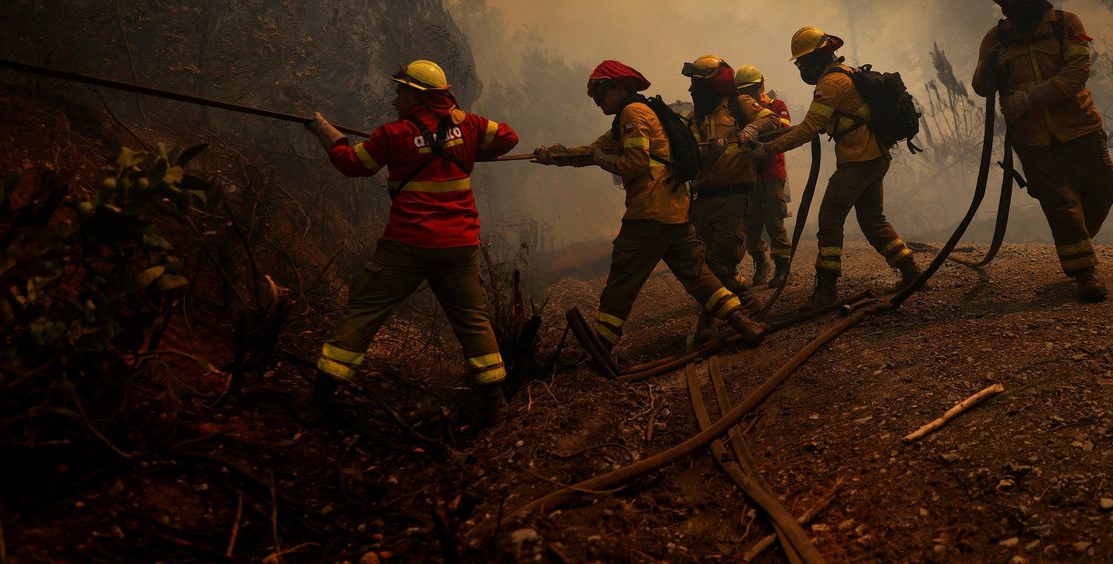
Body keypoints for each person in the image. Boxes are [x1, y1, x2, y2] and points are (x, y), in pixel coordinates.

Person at [300, 60, 519, 424]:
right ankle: (495, 402)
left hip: (407, 245)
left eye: (401, 90)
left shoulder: (393, 135)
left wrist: (327, 134)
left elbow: (354, 164)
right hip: (459, 247)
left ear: (418, 96)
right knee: (471, 320)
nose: (395, 98)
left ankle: (321, 398)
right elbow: (509, 137)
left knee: (364, 309)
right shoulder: (470, 125)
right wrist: (464, 149)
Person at [533, 60, 766, 356]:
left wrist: (600, 160)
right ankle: (743, 322)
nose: (597, 102)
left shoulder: (632, 114)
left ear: (618, 88)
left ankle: (601, 346)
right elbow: (592, 150)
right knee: (699, 276)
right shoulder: (640, 113)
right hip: (674, 212)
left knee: (621, 281)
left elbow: (634, 164)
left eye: (600, 94)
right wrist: (556, 155)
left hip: (648, 213)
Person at [971, 0, 1113, 302]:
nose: (1023, 1)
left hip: (1080, 127)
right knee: (1061, 203)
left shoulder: (1066, 25)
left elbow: (1076, 73)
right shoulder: (995, 39)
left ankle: (1078, 239)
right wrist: (993, 65)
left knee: (1106, 186)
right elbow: (981, 86)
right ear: (1003, 0)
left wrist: (1030, 100)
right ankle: (1085, 274)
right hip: (1032, 139)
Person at [752, 28, 922, 307]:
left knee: (830, 219)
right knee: (872, 220)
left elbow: (809, 129)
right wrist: (773, 136)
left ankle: (826, 291)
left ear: (817, 58)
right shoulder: (847, 72)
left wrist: (768, 149)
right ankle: (911, 272)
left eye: (803, 62)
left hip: (858, 160)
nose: (801, 68)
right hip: (874, 157)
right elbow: (820, 123)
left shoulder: (830, 84)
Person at [682, 55, 779, 318]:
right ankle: (746, 306)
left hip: (733, 196)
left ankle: (719, 320)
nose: (691, 90)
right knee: (706, 265)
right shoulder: (693, 118)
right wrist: (707, 154)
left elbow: (772, 120)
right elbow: (691, 159)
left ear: (713, 86)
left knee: (719, 261)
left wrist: (751, 130)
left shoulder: (739, 105)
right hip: (703, 200)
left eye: (697, 84)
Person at [734, 65, 792, 288]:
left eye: (748, 89)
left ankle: (782, 268)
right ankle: (761, 262)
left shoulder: (776, 106)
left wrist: (757, 132)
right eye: (741, 90)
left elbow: (783, 130)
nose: (744, 94)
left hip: (772, 172)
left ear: (760, 86)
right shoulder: (740, 110)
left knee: (774, 221)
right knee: (751, 224)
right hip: (748, 173)